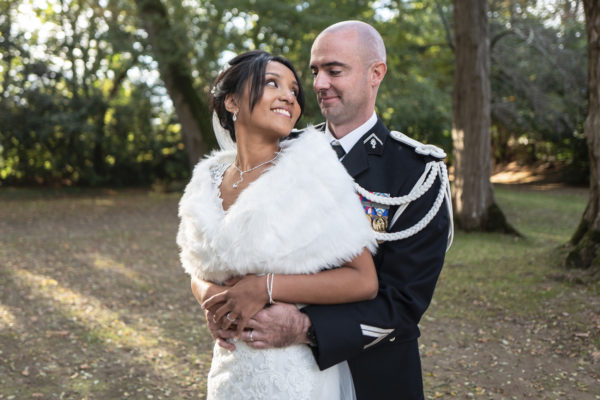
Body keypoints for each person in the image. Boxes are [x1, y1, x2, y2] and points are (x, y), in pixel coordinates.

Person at [193, 21, 453, 400]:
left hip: (373, 374)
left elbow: (404, 301)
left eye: (335, 70)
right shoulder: (279, 151)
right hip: (269, 370)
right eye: (315, 72)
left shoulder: (415, 171)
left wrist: (305, 326)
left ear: (375, 74)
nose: (319, 84)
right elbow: (220, 252)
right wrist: (220, 303)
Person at [177, 50, 380, 399]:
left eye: (294, 90)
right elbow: (197, 267)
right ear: (231, 101)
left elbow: (364, 280)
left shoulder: (311, 173)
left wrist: (265, 287)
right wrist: (212, 298)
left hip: (293, 372)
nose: (290, 95)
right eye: (272, 83)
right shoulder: (205, 181)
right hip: (231, 370)